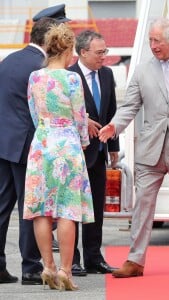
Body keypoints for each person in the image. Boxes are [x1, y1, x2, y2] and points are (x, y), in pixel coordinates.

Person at [99, 17, 169, 278]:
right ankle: (135, 260)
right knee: (142, 206)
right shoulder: (142, 69)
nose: (153, 45)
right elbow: (130, 106)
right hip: (150, 148)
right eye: (150, 40)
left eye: (157, 40)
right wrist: (115, 126)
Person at [0, 4, 69, 285]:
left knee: (3, 207)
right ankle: (30, 266)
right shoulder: (41, 68)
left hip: (5, 143)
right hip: (30, 145)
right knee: (33, 206)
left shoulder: (8, 60)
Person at [23, 22, 94, 291]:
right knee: (66, 210)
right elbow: (79, 117)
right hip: (67, 145)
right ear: (68, 49)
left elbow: (33, 112)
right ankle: (65, 270)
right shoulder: (73, 78)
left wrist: (46, 129)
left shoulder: (35, 77)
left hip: (42, 145)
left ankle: (48, 267)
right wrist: (84, 142)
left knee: (41, 210)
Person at [68, 30, 119, 276]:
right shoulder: (69, 76)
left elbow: (112, 113)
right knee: (74, 208)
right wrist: (82, 119)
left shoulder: (107, 75)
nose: (104, 57)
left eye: (105, 51)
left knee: (96, 208)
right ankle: (73, 259)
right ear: (83, 52)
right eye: (100, 53)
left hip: (98, 153)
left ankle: (94, 258)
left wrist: (114, 149)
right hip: (75, 153)